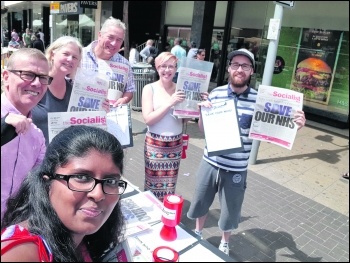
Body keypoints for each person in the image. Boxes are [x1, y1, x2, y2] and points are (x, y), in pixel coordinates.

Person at [187, 48, 306, 255]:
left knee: (231, 210)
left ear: (251, 71)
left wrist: (294, 125)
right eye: (235, 65)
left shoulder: (260, 101)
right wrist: (201, 113)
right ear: (229, 68)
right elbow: (203, 130)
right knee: (201, 201)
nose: (239, 69)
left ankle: (225, 242)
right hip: (210, 162)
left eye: (245, 66)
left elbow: (277, 126)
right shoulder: (216, 94)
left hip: (236, 168)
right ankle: (198, 232)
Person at [1, 125, 127, 261]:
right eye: (82, 177)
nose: (98, 194)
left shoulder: (85, 239)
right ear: (47, 182)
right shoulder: (19, 253)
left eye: (110, 181)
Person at [1, 48, 50, 218]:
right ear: (6, 77)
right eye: (28, 74)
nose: (37, 83)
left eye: (43, 77)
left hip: (14, 231)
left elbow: (39, 184)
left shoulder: (36, 136)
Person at [32, 36, 97, 146]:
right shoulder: (35, 83)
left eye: (75, 57)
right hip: (35, 157)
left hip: (62, 158)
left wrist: (101, 109)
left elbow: (84, 120)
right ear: (52, 54)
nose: (70, 59)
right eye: (66, 54)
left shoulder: (74, 91)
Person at [80, 16, 135, 107]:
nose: (114, 43)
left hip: (111, 117)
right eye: (110, 37)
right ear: (100, 35)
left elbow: (129, 89)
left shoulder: (124, 64)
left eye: (119, 40)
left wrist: (124, 99)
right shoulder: (79, 56)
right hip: (82, 117)